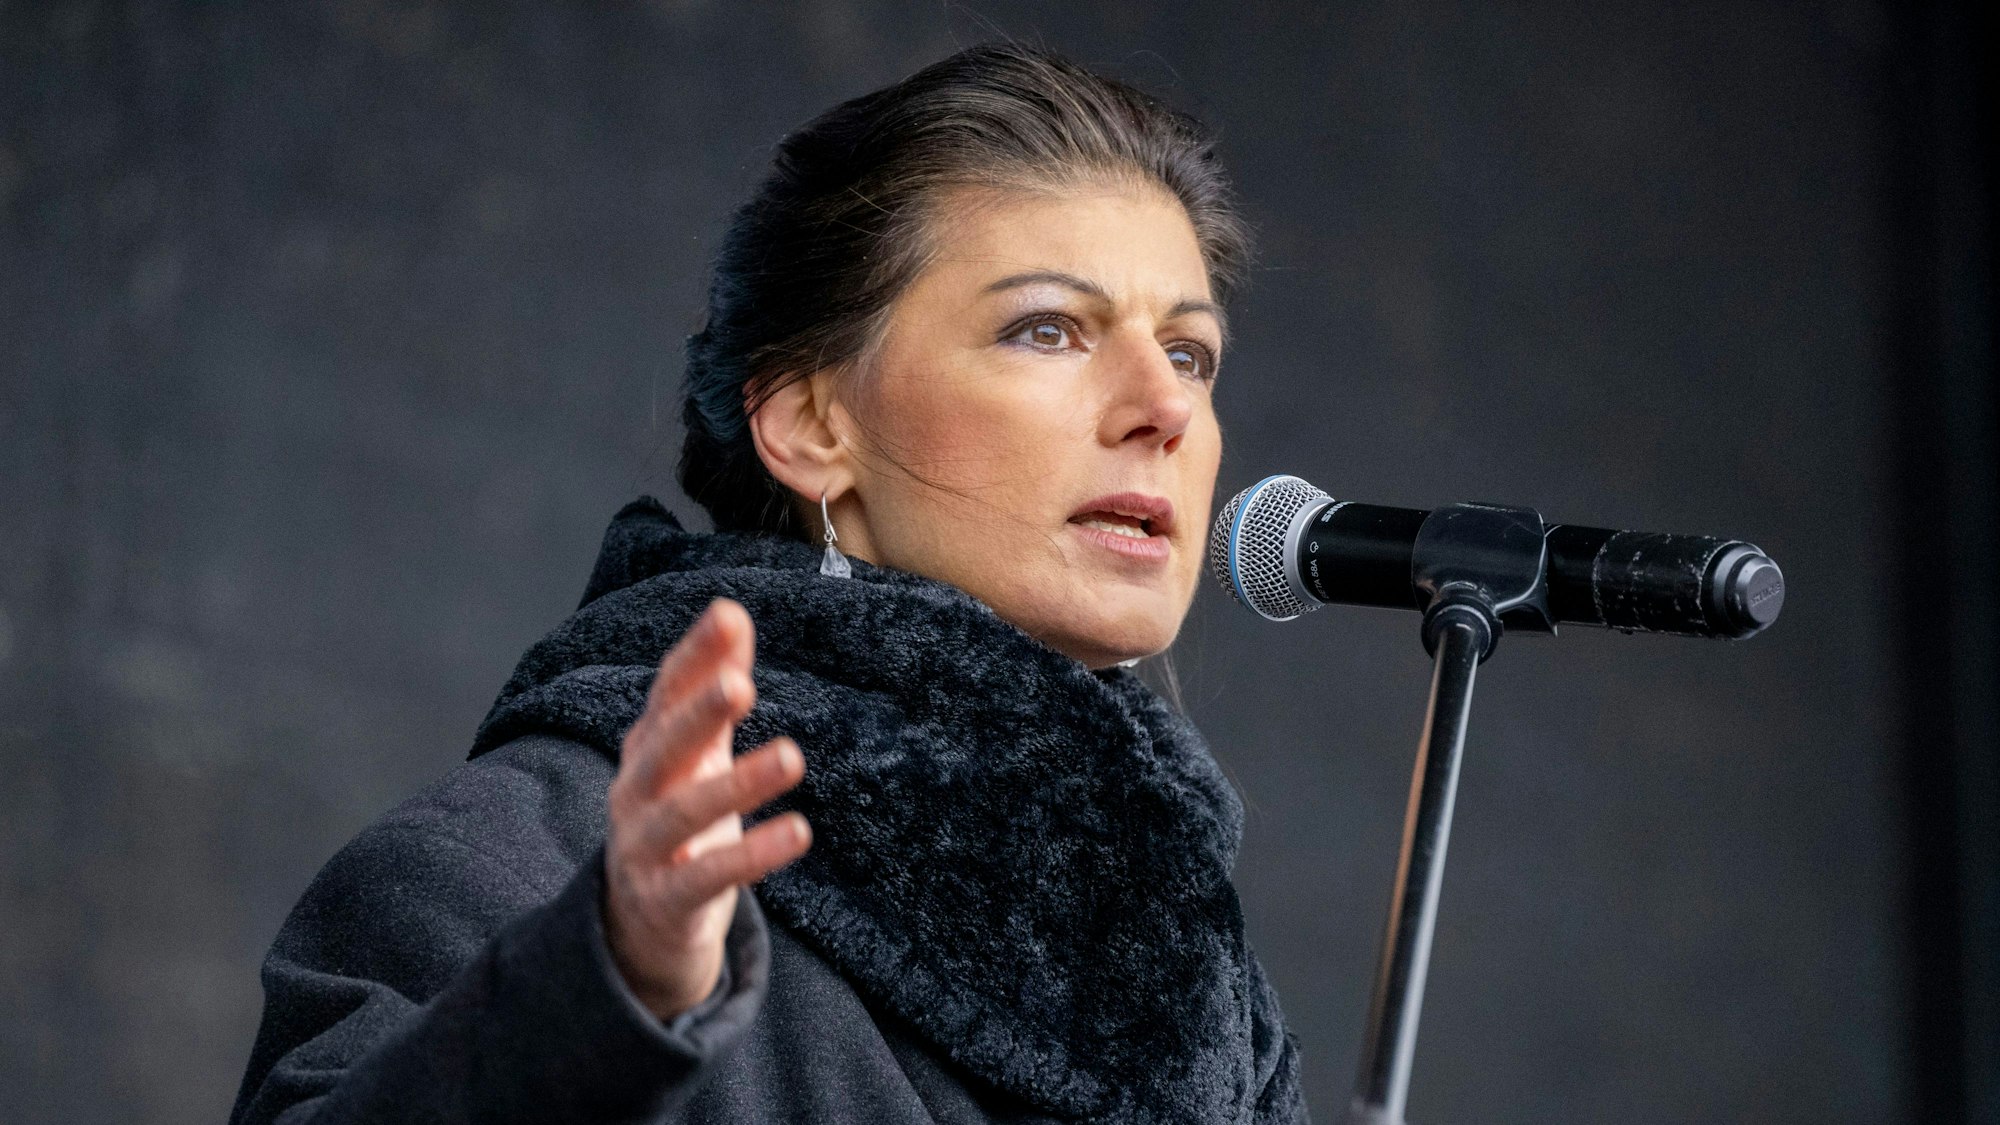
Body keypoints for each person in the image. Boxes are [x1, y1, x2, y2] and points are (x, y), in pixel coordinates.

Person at [230, 42, 1307, 1124]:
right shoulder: (527, 863)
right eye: (1048, 330)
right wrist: (605, 988)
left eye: (1189, 353)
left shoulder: (1209, 994)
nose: (1164, 407)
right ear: (809, 426)